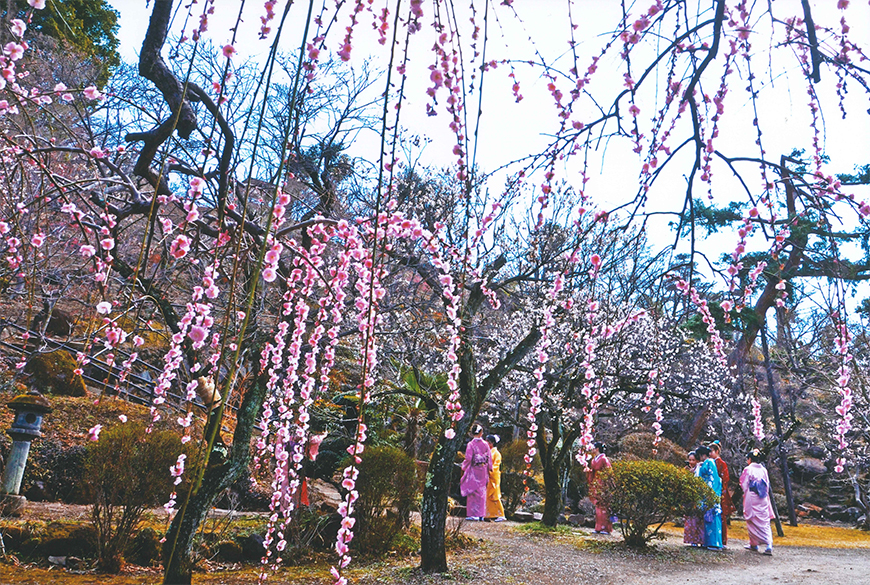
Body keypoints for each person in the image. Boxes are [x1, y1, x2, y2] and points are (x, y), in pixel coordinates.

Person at [740, 449, 775, 555]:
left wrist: (746, 492)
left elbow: (744, 484)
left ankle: (755, 544)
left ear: (750, 459)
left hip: (752, 496)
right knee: (764, 521)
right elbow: (767, 484)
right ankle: (766, 544)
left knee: (752, 519)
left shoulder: (748, 469)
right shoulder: (764, 470)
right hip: (763, 497)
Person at [460, 424, 492, 521]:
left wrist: (464, 466)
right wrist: (489, 467)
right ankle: (481, 514)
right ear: (481, 433)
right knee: (482, 491)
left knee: (472, 490)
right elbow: (489, 457)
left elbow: (468, 458)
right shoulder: (486, 444)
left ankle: (473, 514)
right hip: (483, 469)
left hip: (474, 469)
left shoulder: (471, 444)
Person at [709, 440, 736, 547]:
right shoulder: (710, 462)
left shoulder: (721, 463)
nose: (709, 454)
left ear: (716, 451)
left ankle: (722, 540)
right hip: (712, 491)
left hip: (719, 492)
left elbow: (725, 479)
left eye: (711, 451)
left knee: (721, 517)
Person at [695, 444, 722, 550]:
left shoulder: (709, 462)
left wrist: (710, 492)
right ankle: (710, 542)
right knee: (709, 518)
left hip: (709, 492)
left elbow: (712, 478)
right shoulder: (708, 462)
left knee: (712, 518)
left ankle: (714, 543)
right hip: (708, 492)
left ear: (702, 455)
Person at [587, 441, 613, 534]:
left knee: (604, 507)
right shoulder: (594, 460)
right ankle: (598, 527)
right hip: (596, 482)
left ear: (597, 449)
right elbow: (592, 471)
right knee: (598, 506)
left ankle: (605, 528)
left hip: (602, 483)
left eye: (594, 448)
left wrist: (607, 484)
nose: (592, 449)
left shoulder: (604, 459)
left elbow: (608, 472)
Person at [683, 451, 704, 546]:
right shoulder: (687, 470)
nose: (691, 462)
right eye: (690, 460)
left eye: (693, 460)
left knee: (698, 519)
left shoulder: (700, 469)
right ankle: (691, 539)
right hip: (689, 497)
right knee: (690, 519)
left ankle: (699, 539)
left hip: (698, 496)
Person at [485, 434, 507, 521]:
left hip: (493, 476)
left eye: (487, 441)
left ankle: (501, 514)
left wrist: (488, 471)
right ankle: (489, 514)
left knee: (494, 496)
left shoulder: (496, 454)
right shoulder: (489, 452)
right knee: (488, 496)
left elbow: (495, 466)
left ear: (491, 443)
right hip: (489, 476)